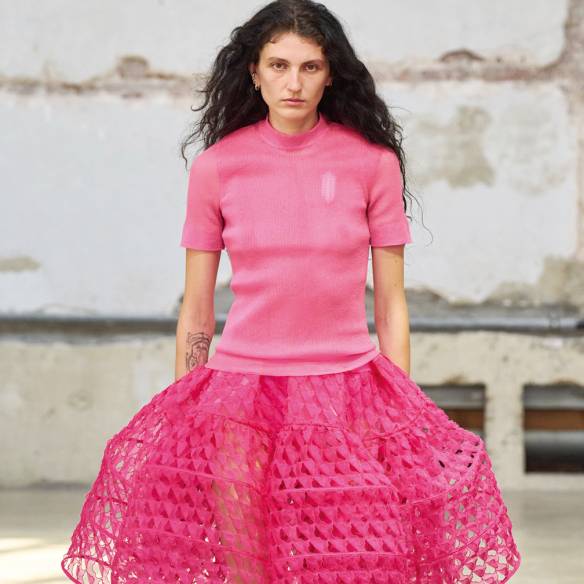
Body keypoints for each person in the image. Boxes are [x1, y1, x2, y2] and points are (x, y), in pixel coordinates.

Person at [61, 1, 522, 582]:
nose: (294, 83)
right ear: (254, 72)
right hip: (239, 397)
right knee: (247, 562)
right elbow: (197, 310)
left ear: (331, 75)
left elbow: (391, 304)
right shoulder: (218, 168)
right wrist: (185, 415)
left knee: (349, 560)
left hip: (348, 392)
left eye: (310, 67)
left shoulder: (372, 164)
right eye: (278, 66)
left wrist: (397, 408)